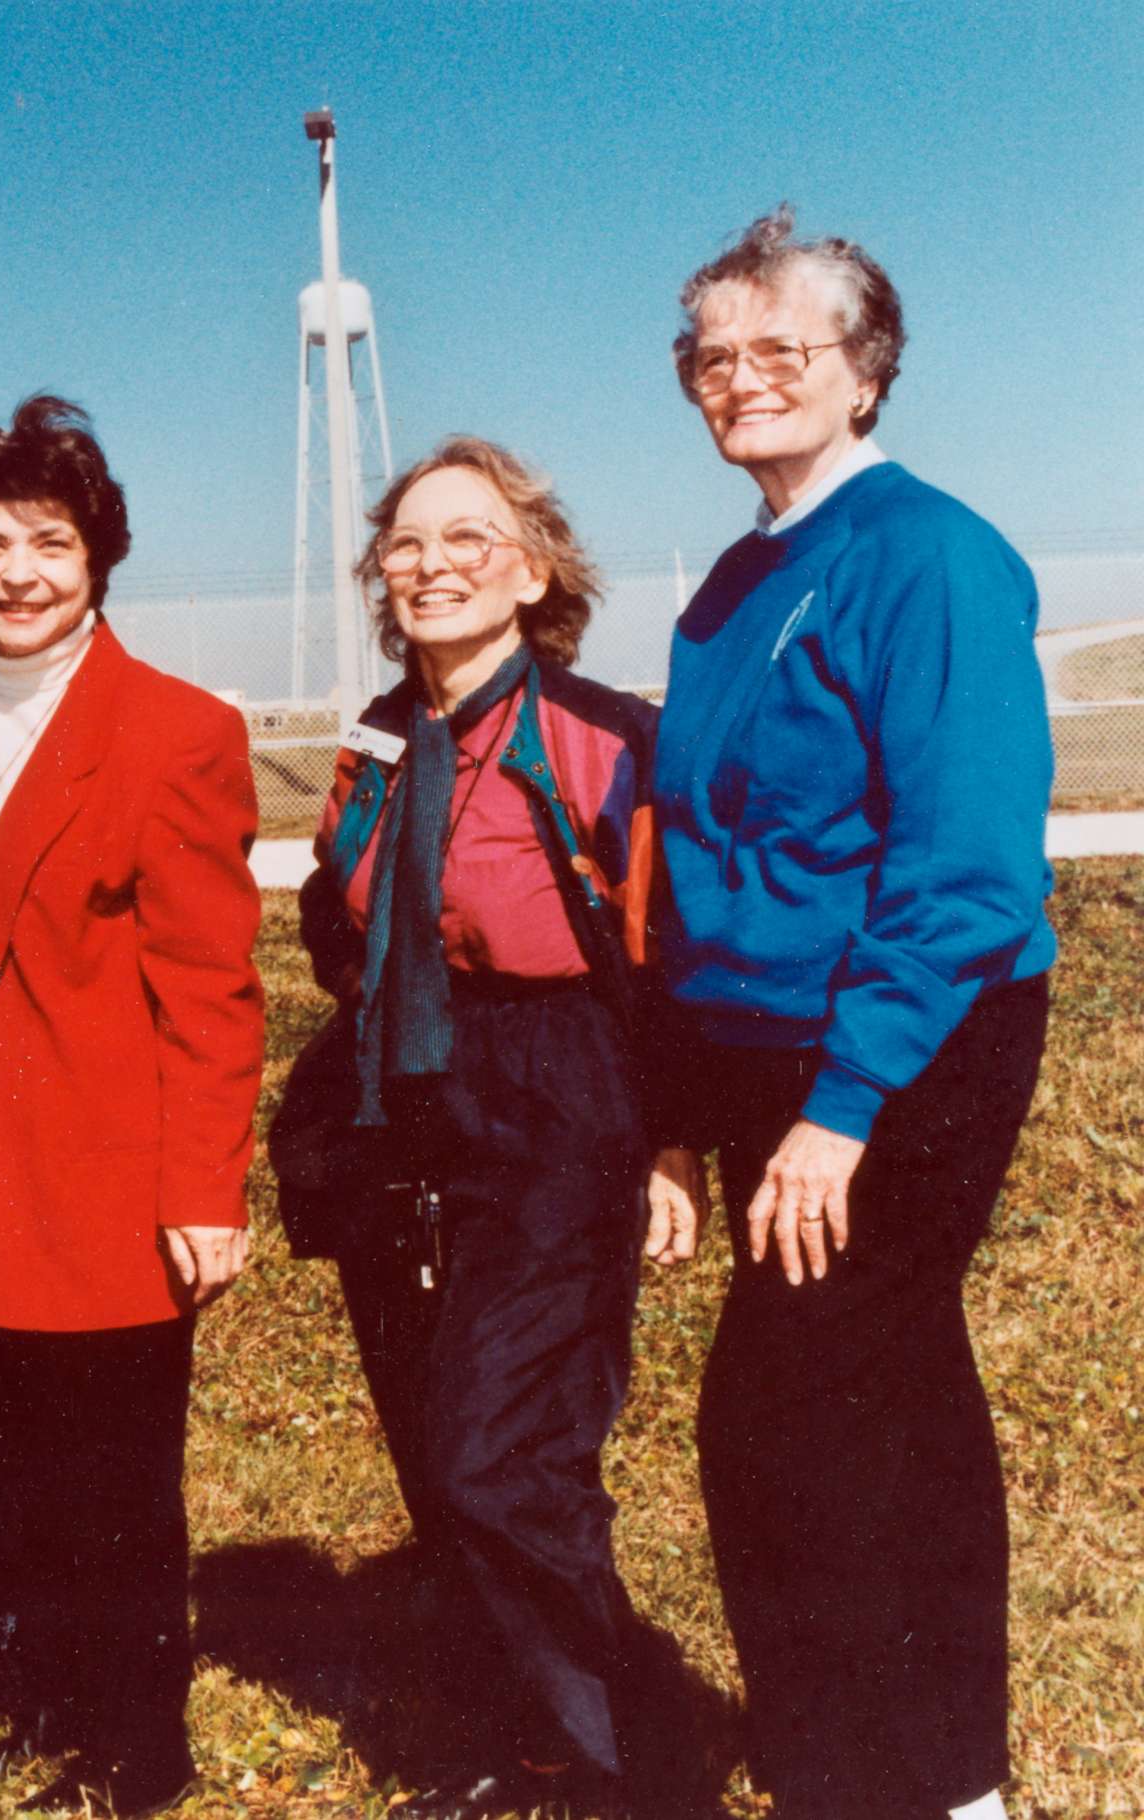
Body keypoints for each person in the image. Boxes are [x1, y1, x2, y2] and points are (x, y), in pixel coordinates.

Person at [656, 207, 1053, 1820]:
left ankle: (894, 1779)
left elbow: (962, 865)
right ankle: (918, 1772)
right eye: (711, 356)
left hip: (906, 1048)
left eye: (780, 350)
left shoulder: (930, 556)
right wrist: (687, 1120)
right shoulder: (735, 582)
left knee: (793, 1422)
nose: (741, 379)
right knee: (875, 1400)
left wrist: (845, 1105)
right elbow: (700, 865)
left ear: (864, 374)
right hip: (764, 1055)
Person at [296, 436, 698, 1819]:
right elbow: (326, 913)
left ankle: (619, 1759)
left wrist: (670, 1143)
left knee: (500, 1447)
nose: (432, 566)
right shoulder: (374, 735)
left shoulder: (600, 734)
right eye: (406, 545)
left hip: (559, 1093)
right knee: (438, 1439)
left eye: (468, 539)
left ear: (529, 571)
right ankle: (527, 1729)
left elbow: (665, 951)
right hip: (405, 1101)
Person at [0, 396, 264, 1818]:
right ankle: (26, 1697)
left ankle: (132, 1747)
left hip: (85, 1123)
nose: (19, 572)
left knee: (102, 1459)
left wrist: (203, 1188)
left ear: (98, 556)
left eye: (49, 541)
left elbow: (214, 985)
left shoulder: (173, 729)